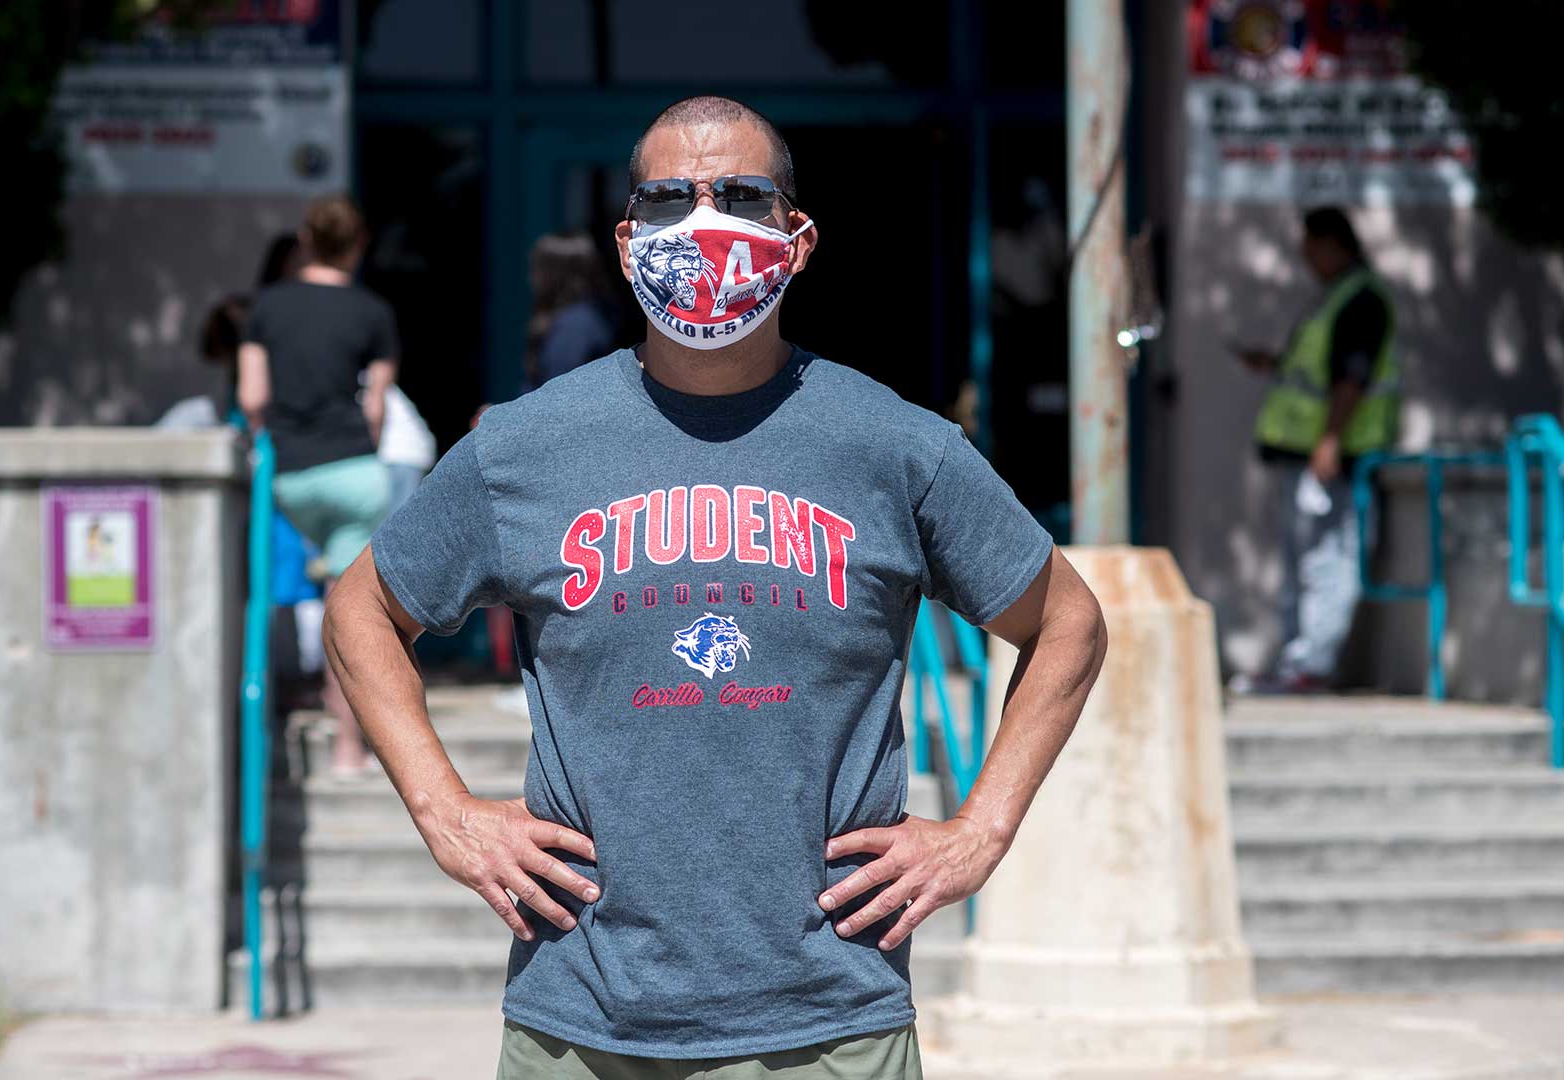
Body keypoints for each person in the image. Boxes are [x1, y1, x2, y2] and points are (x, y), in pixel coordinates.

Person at [323, 96, 1109, 1077]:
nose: (703, 222)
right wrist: (446, 812)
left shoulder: (894, 447)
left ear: (798, 236)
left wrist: (981, 831)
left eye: (740, 195)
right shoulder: (526, 447)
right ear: (624, 242)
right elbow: (362, 606)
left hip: (830, 1022)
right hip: (581, 1018)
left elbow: (1068, 622)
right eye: (667, 200)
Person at [240, 195, 401, 776]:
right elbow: (376, 409)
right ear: (359, 244)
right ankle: (347, 749)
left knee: (264, 584)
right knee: (351, 612)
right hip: (353, 471)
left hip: (288, 474)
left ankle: (270, 719)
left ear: (306, 239)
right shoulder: (371, 312)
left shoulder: (268, 307)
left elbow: (251, 399)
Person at [1231, 207, 1400, 694]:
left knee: (1328, 561)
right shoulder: (1335, 298)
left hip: (1335, 462)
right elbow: (1321, 374)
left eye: (1311, 247)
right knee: (1303, 560)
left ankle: (1312, 665)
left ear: (1335, 244)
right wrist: (1273, 363)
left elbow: (1353, 378)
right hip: (1308, 457)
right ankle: (1297, 661)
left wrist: (1328, 443)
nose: (1306, 258)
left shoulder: (1360, 300)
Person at [524, 231, 620, 393]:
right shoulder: (585, 316)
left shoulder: (575, 326)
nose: (531, 277)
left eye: (537, 268)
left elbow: (556, 394)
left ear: (555, 274)